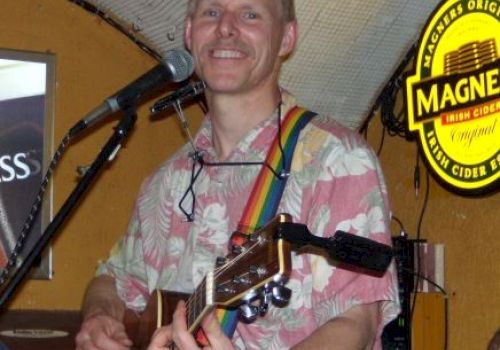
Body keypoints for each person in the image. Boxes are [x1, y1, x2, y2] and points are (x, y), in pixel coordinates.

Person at [75, 0, 400, 349]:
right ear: (189, 33)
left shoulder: (337, 159)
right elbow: (113, 278)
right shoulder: (165, 181)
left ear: (286, 38)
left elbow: (356, 323)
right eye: (211, 12)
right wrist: (98, 315)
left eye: (250, 14)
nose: (226, 27)